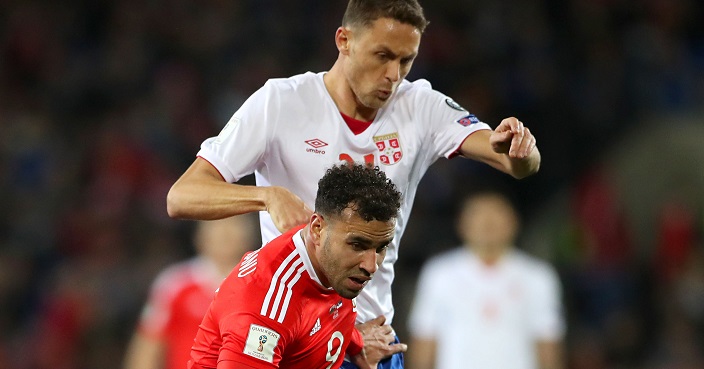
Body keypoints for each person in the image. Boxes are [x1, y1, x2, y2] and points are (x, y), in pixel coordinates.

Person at [167, 0, 541, 367]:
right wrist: (265, 197)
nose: (394, 75)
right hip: (296, 337)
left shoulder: (421, 106)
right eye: (382, 55)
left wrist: (520, 150)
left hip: (372, 340)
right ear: (344, 40)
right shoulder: (281, 103)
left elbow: (516, 163)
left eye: (406, 60)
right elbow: (182, 196)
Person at [187, 163, 401, 369]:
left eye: (381, 248)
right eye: (357, 245)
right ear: (317, 229)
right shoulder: (266, 309)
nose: (371, 266)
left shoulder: (327, 258)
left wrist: (355, 342)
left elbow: (318, 316)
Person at [406, 190, 565, 369]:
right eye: (478, 214)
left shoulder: (538, 276)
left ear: (514, 221)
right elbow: (425, 340)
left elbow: (547, 344)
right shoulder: (439, 273)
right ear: (462, 223)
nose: (487, 223)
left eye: (496, 213)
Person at [123, 215, 258, 369]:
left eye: (234, 225)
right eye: (216, 225)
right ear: (199, 235)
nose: (224, 233)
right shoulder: (175, 283)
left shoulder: (265, 285)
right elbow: (147, 347)